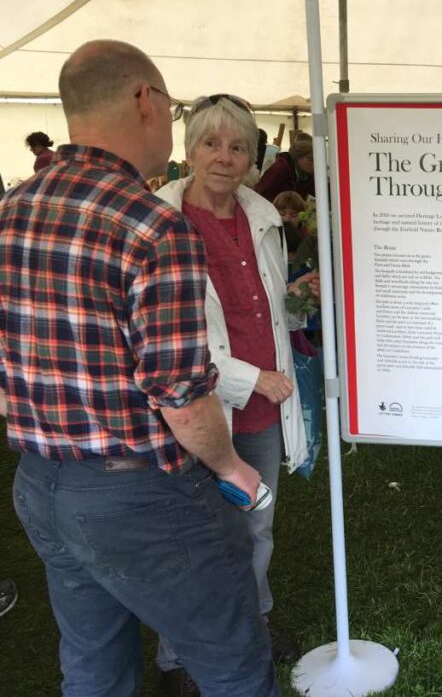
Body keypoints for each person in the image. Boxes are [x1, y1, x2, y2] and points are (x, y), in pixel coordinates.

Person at [0, 40, 279, 697]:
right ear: (144, 101)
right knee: (235, 663)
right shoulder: (152, 225)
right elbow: (181, 396)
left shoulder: (11, 211)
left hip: (41, 478)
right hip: (139, 493)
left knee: (93, 663)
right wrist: (231, 468)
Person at [154, 93, 319, 681]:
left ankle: (254, 628)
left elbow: (268, 314)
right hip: (196, 411)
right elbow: (167, 339)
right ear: (190, 150)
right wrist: (254, 379)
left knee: (255, 527)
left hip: (262, 413)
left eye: (239, 146)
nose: (224, 157)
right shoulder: (160, 225)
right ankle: (178, 657)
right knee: (192, 538)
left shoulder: (264, 218)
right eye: (211, 143)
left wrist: (300, 302)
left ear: (254, 156)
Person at [254, 136, 314, 201]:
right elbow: (261, 192)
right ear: (300, 157)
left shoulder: (305, 174)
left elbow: (314, 190)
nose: (314, 164)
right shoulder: (280, 168)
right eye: (311, 159)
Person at [272, 189, 308, 259]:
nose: (287, 219)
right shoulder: (269, 238)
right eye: (282, 214)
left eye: (293, 215)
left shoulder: (307, 241)